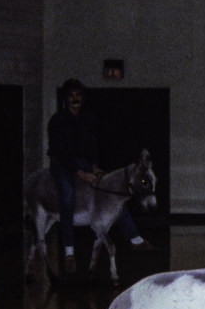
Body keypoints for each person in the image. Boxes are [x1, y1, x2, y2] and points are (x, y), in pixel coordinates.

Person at [46, 78, 152, 274]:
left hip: (80, 160)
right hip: (61, 163)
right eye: (71, 95)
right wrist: (81, 174)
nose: (75, 99)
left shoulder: (87, 117)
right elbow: (60, 152)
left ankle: (134, 238)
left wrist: (93, 167)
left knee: (113, 192)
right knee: (68, 197)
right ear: (66, 98)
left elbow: (92, 143)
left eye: (78, 95)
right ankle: (69, 251)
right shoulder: (58, 120)